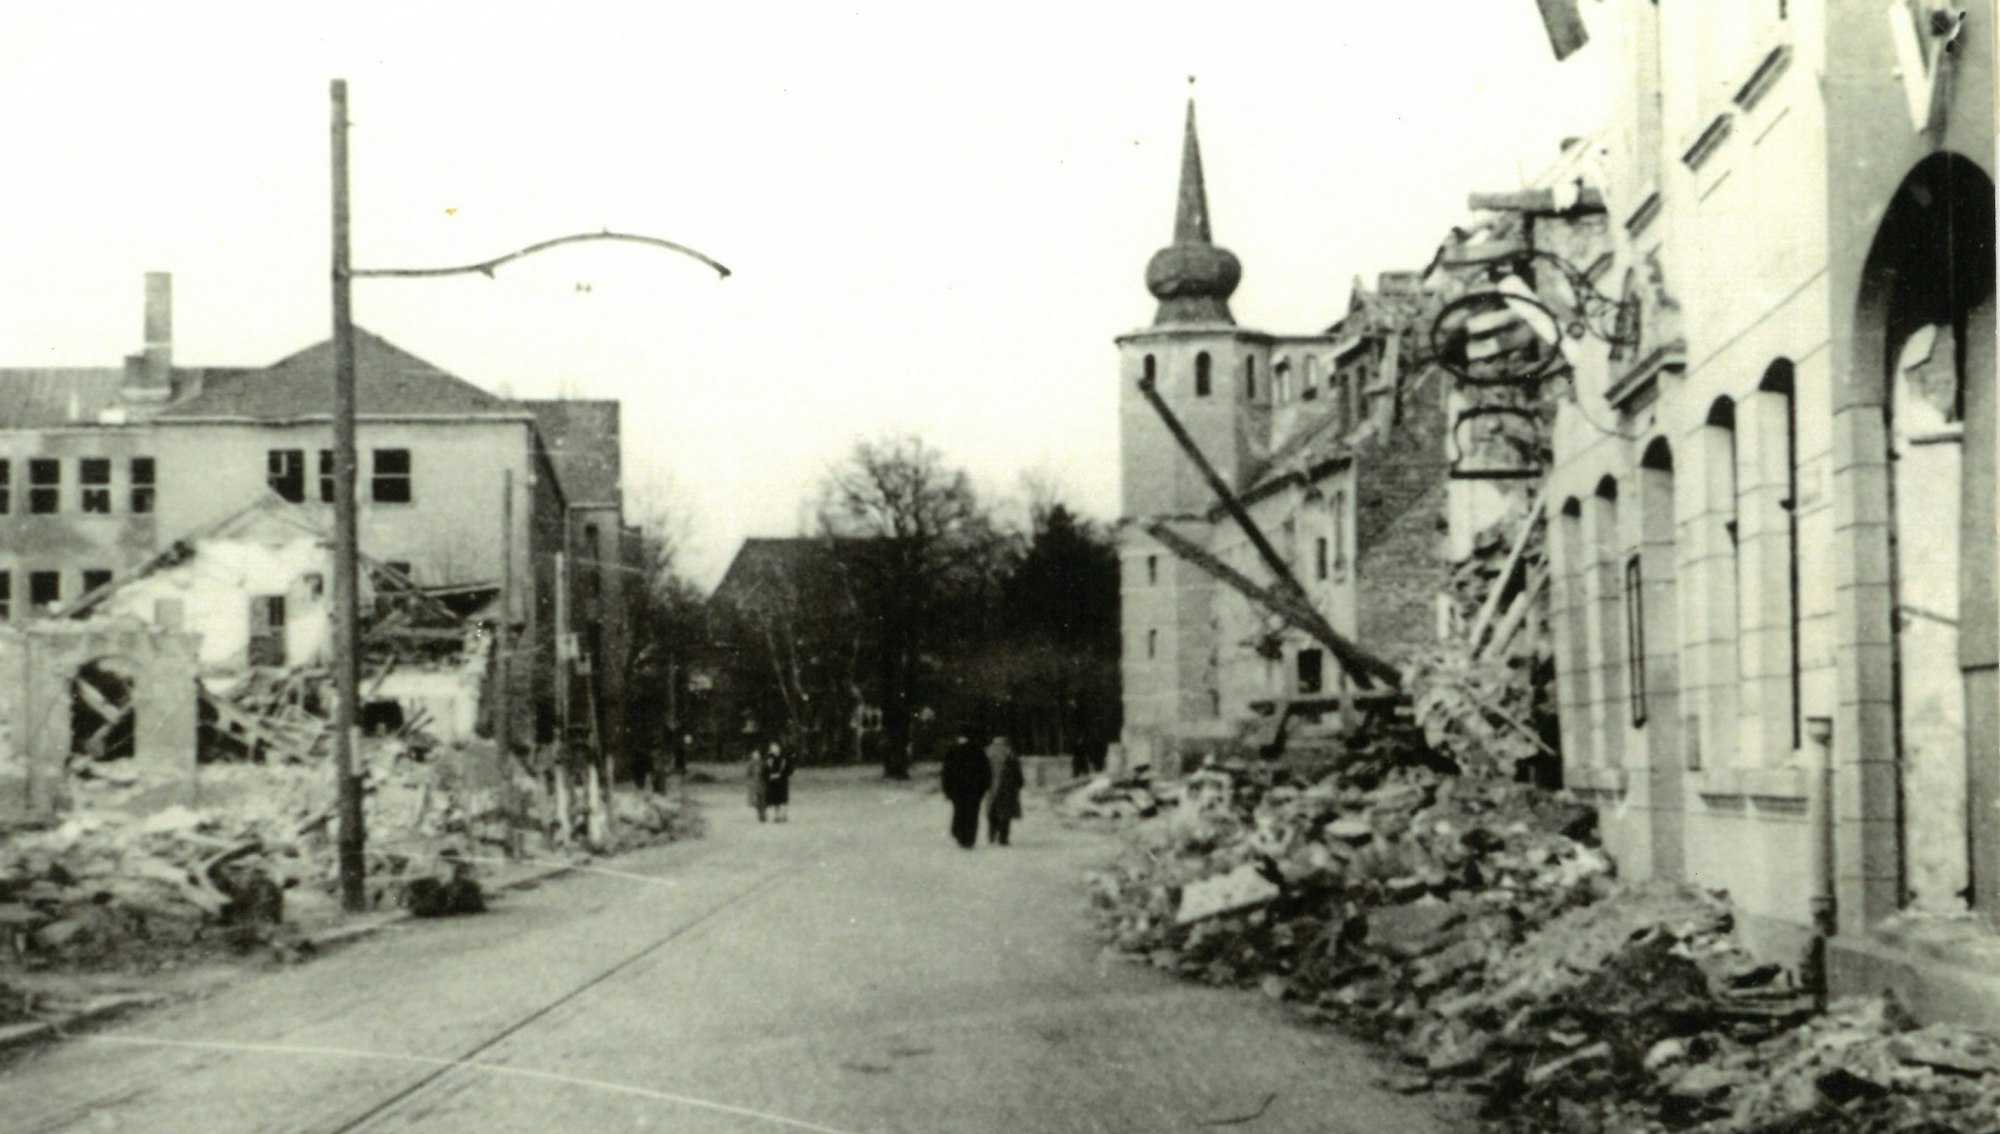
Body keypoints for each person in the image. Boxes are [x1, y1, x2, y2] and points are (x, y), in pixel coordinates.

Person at [940, 733, 991, 849]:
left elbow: (946, 772)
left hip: (958, 788)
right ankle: (970, 837)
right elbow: (985, 770)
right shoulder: (978, 751)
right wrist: (985, 786)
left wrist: (947, 789)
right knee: (973, 813)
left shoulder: (953, 751)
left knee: (959, 811)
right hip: (975, 789)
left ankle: (959, 832)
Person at [986, 735, 1023, 846]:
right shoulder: (1009, 752)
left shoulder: (988, 752)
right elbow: (1016, 770)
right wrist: (1019, 783)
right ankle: (1003, 837)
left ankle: (992, 832)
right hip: (1007, 787)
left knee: (992, 810)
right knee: (1005, 813)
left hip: (992, 786)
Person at [763, 739, 795, 823]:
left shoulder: (784, 758)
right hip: (772, 782)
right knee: (775, 800)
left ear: (779, 748)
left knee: (783, 799)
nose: (773, 749)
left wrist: (781, 775)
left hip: (782, 782)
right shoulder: (769, 758)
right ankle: (776, 816)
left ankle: (784, 815)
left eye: (775, 747)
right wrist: (769, 776)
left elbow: (790, 769)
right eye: (772, 747)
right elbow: (765, 770)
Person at [747, 744, 770, 822]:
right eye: (754, 754)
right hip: (755, 784)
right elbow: (749, 774)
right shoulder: (751, 764)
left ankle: (763, 814)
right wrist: (750, 783)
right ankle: (760, 815)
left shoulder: (763, 763)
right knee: (756, 801)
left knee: (763, 800)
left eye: (757, 754)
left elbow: (767, 773)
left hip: (762, 784)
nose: (756, 756)